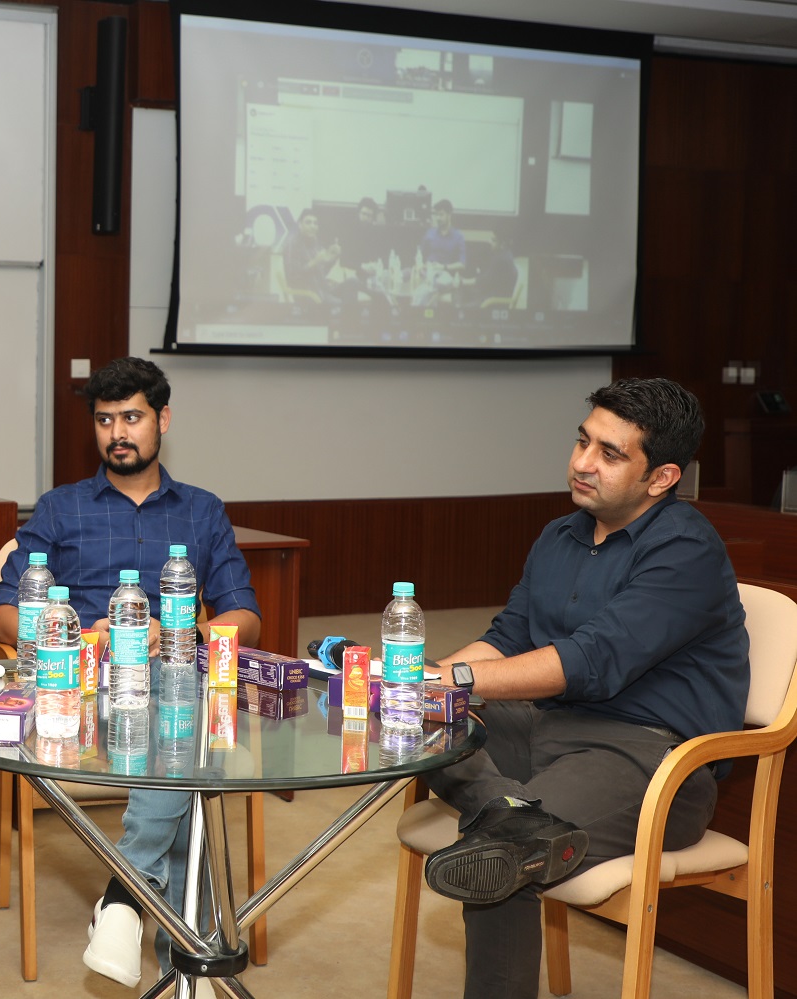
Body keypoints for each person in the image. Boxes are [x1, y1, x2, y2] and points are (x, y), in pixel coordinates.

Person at [420, 377, 749, 999]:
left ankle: (508, 829)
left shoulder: (686, 550)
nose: (581, 463)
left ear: (663, 478)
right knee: (416, 722)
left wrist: (451, 678)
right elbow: (509, 636)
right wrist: (416, 684)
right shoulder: (560, 535)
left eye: (610, 453)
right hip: (546, 727)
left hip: (648, 760)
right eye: (582, 441)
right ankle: (515, 819)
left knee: (497, 858)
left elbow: (589, 661)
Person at [0, 356, 261, 991]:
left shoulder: (201, 511)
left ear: (162, 420)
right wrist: (77, 635)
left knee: (180, 724)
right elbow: (4, 619)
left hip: (171, 685)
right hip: (80, 695)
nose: (118, 433)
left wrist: (183, 634)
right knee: (189, 758)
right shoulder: (59, 509)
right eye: (105, 420)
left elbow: (244, 617)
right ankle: (184, 969)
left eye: (132, 417)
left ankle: (122, 901)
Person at [280, 208, 343, 305]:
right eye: (308, 223)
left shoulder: (315, 241)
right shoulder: (292, 244)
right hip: (311, 297)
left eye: (315, 223)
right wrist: (315, 261)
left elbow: (322, 272)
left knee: (352, 283)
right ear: (300, 225)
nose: (313, 226)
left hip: (323, 290)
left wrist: (333, 258)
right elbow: (293, 278)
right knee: (347, 305)